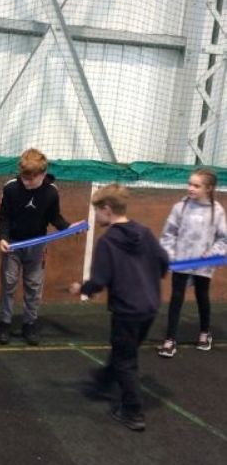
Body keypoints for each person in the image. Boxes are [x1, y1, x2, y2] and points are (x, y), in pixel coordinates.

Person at [69, 184, 168, 431]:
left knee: (126, 360)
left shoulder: (108, 241)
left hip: (127, 309)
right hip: (150, 306)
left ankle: (133, 412)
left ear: (107, 209)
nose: (96, 216)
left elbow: (99, 281)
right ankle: (104, 380)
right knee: (126, 349)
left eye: (97, 211)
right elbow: (164, 261)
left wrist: (81, 288)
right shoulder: (145, 233)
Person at [0, 148, 75, 346]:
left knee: (33, 286)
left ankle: (29, 324)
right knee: (8, 283)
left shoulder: (51, 192)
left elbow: (54, 217)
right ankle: (4, 323)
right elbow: (3, 217)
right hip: (13, 244)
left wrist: (68, 227)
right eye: (24, 178)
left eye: (32, 179)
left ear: (43, 174)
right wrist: (3, 237)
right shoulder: (11, 188)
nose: (27, 182)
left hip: (37, 245)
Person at [158, 168, 227, 357]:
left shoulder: (216, 211)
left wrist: (212, 254)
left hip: (203, 264)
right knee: (176, 298)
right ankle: (170, 340)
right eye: (190, 184)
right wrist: (172, 255)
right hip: (181, 261)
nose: (191, 188)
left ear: (208, 188)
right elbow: (168, 234)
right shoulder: (180, 207)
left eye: (196, 186)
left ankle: (204, 332)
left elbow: (223, 238)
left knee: (202, 296)